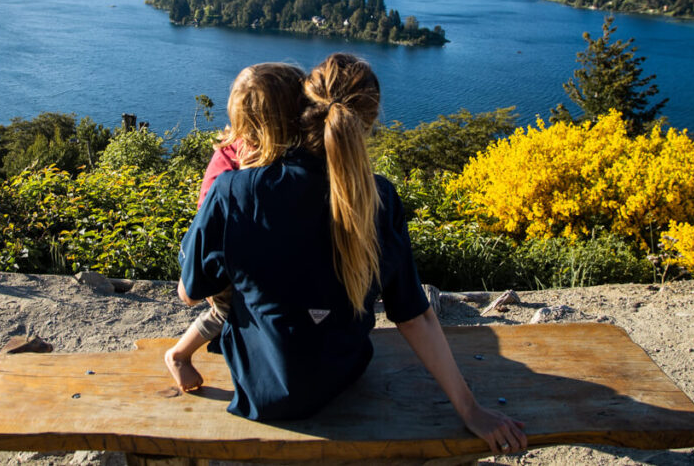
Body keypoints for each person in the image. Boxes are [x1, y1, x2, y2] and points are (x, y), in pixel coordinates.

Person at [176, 53, 526, 456]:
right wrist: (470, 409)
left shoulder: (235, 190)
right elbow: (415, 316)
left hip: (261, 389)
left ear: (303, 106)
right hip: (343, 373)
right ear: (369, 123)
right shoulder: (381, 199)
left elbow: (190, 291)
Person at [165, 62, 306, 392]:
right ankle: (179, 355)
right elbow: (210, 222)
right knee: (225, 312)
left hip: (251, 250)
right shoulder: (231, 162)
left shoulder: (268, 155)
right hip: (227, 258)